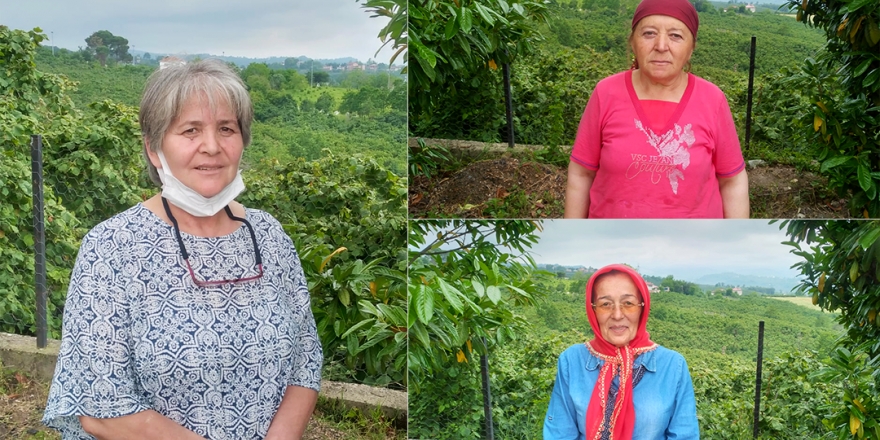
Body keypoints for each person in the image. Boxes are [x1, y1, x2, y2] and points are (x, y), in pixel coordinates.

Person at [43, 59, 323, 440]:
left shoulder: (269, 236)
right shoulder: (112, 247)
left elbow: (306, 359)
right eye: (190, 130)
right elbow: (100, 408)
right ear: (155, 149)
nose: (212, 146)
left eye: (227, 128)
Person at [564, 0, 749, 218]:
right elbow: (581, 173)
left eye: (676, 36)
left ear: (691, 48)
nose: (661, 46)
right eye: (649, 33)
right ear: (633, 42)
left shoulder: (712, 100)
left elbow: (732, 181)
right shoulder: (606, 93)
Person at [543, 264, 699, 439]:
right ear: (593, 309)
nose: (617, 314)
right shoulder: (571, 361)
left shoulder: (673, 366)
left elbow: (685, 435)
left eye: (628, 303)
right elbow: (560, 433)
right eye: (605, 304)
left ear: (642, 307)